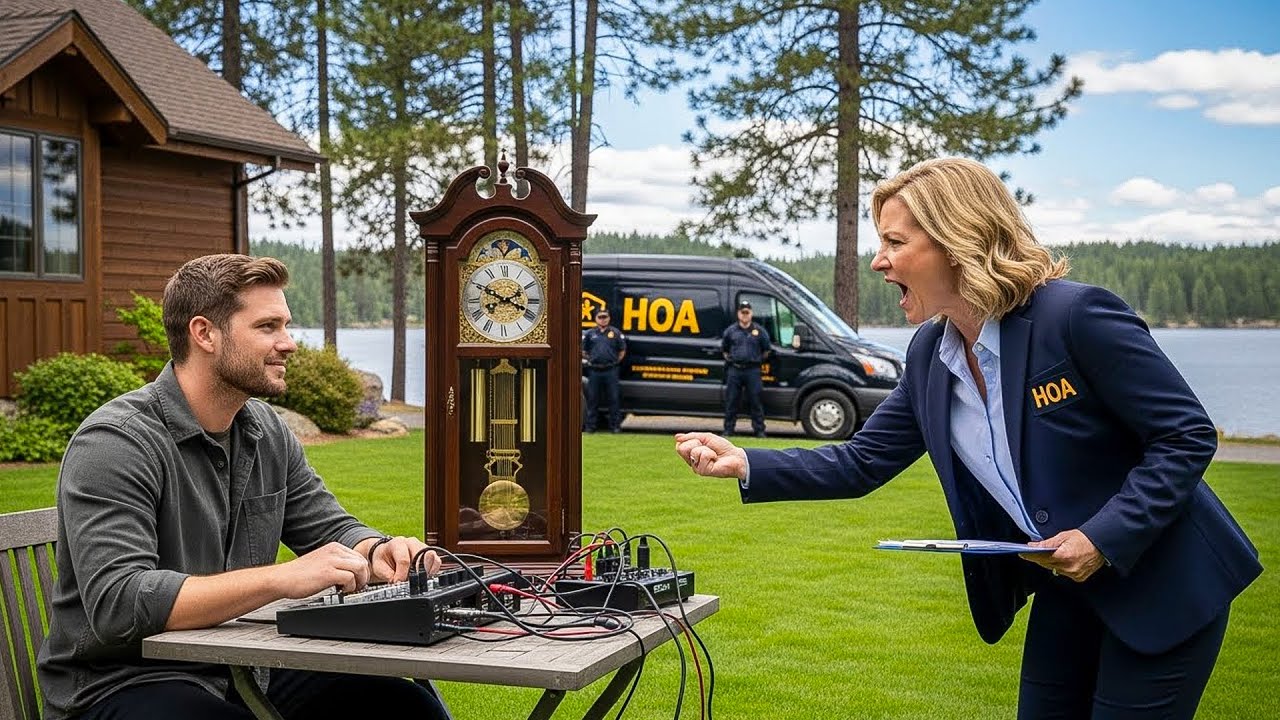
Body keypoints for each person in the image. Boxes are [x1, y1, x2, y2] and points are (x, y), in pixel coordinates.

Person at [676, 158, 1261, 719]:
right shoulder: (930, 355)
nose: (878, 262)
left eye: (895, 243)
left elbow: (1184, 435)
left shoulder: (1076, 316)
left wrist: (1102, 538)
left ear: (960, 240)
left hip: (1166, 583)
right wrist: (744, 463)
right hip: (1065, 586)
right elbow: (860, 463)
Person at [37, 254, 450, 720]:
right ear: (205, 333)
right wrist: (280, 579)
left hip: (244, 668)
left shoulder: (263, 430)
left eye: (286, 325)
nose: (289, 344)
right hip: (124, 682)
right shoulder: (116, 442)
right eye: (268, 327)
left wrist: (378, 551)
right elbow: (119, 602)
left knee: (404, 707)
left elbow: (327, 525)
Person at [721, 300, 771, 437]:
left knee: (756, 400)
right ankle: (728, 429)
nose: (744, 315)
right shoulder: (731, 331)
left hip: (752, 370)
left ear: (751, 313)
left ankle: (759, 430)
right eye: (742, 312)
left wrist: (756, 360)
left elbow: (766, 350)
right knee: (731, 400)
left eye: (747, 312)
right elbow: (725, 350)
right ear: (738, 314)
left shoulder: (759, 331)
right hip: (735, 370)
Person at [582, 308, 626, 433]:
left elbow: (622, 350)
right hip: (594, 370)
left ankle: (615, 426)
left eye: (605, 317)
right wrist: (590, 359)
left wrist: (615, 361)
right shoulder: (590, 334)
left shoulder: (615, 333)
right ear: (595, 318)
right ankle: (591, 427)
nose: (603, 319)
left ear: (609, 318)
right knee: (593, 400)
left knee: (613, 399)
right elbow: (583, 350)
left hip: (611, 370)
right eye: (600, 317)